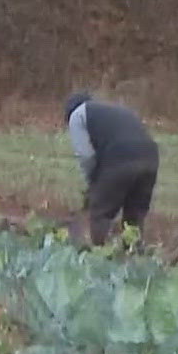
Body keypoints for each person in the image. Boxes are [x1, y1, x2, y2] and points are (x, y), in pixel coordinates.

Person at [64, 91, 159, 248]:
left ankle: (101, 255)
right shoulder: (111, 111)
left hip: (121, 156)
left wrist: (93, 184)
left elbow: (86, 155)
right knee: (134, 216)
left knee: (101, 213)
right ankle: (133, 257)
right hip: (150, 157)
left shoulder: (77, 115)